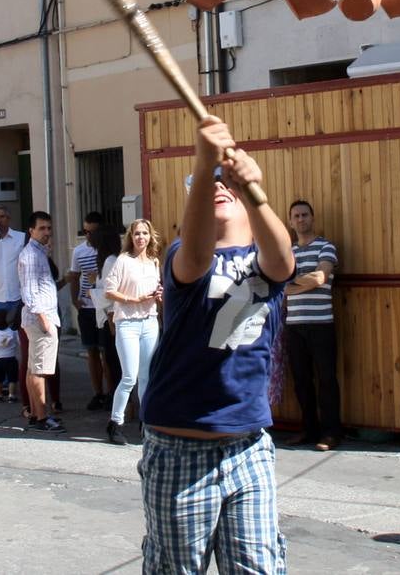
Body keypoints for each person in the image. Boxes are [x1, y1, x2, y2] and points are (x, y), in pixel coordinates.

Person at [140, 117, 295, 574]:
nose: (217, 187)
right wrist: (205, 161)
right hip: (178, 447)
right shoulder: (182, 256)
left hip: (248, 445)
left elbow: (283, 259)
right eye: (205, 187)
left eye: (225, 184)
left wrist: (250, 189)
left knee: (259, 568)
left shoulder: (266, 256)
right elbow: (196, 257)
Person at [285, 199, 342, 452]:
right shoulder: (288, 252)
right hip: (294, 325)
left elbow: (321, 276)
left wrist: (292, 285)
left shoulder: (326, 246)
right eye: (296, 216)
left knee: (327, 379)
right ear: (290, 221)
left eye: (304, 215)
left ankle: (331, 433)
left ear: (312, 217)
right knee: (301, 380)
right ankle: (309, 430)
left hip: (321, 324)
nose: (300, 219)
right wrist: (298, 284)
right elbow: (279, 287)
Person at [104, 219, 162, 445]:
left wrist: (158, 295)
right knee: (129, 376)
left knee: (147, 376)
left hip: (149, 321)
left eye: (144, 233)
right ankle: (115, 423)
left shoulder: (154, 262)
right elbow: (109, 290)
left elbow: (157, 289)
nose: (140, 238)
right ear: (131, 237)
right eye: (137, 233)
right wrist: (132, 299)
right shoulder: (123, 261)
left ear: (150, 236)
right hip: (127, 322)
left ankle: (145, 422)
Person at [18, 211, 65, 434]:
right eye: (42, 228)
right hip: (40, 319)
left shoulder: (38, 252)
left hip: (40, 318)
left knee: (33, 369)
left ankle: (38, 415)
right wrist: (43, 317)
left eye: (48, 228)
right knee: (40, 370)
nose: (46, 232)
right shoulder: (31, 255)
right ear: (31, 231)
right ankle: (42, 416)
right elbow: (29, 291)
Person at [69, 211, 110, 411]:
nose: (88, 236)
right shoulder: (79, 251)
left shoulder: (109, 251)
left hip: (105, 308)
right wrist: (75, 300)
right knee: (91, 350)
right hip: (86, 307)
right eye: (85, 232)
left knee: (107, 351)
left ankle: (111, 392)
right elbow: (74, 276)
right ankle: (98, 393)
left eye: (92, 232)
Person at [89, 225, 123, 402]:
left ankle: (123, 404)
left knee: (114, 361)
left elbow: (111, 294)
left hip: (110, 319)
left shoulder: (109, 261)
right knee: (110, 360)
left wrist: (92, 292)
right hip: (105, 318)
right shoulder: (105, 261)